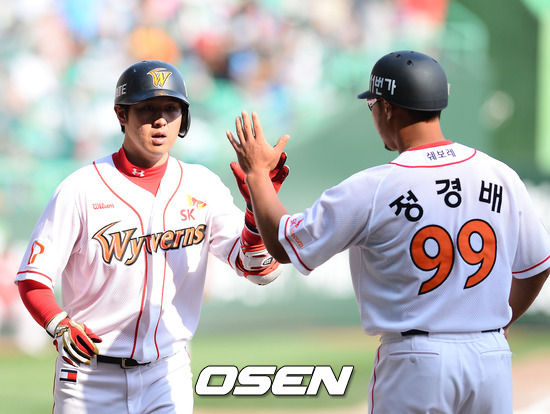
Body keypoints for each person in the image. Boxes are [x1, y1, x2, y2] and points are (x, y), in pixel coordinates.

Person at [226, 50, 550, 413]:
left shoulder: (373, 187)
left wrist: (257, 175)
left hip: (417, 361)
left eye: (373, 105)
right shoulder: (500, 175)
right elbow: (537, 266)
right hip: (490, 357)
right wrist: (497, 322)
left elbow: (285, 245)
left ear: (387, 108)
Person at [15, 59, 288, 413]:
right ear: (121, 114)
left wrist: (255, 210)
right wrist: (58, 323)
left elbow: (259, 270)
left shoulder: (202, 185)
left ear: (183, 118)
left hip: (167, 372)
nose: (160, 120)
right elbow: (32, 278)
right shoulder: (80, 188)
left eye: (171, 108)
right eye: (147, 108)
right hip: (89, 376)